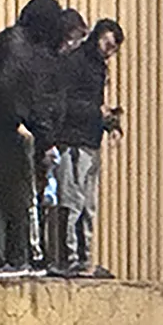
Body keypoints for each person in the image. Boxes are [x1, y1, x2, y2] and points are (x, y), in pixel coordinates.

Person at [0, 0, 65, 275]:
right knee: (18, 198)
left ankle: (2, 259)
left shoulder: (7, 44)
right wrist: (43, 136)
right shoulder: (29, 50)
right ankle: (16, 257)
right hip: (14, 132)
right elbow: (30, 97)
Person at [44, 18, 122, 277]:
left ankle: (84, 257)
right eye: (107, 45)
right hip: (72, 141)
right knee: (72, 201)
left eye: (113, 49)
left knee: (88, 205)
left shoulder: (98, 68)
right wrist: (96, 113)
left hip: (90, 141)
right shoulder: (75, 62)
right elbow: (65, 103)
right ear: (98, 37)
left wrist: (109, 124)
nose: (108, 52)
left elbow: (93, 103)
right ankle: (69, 258)